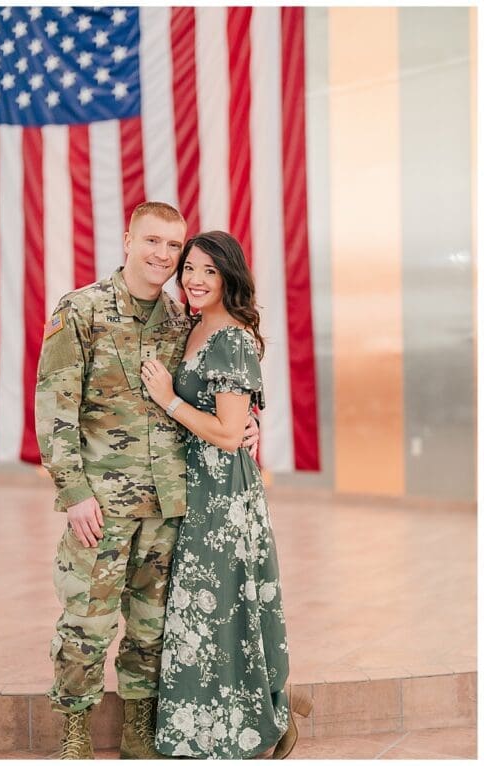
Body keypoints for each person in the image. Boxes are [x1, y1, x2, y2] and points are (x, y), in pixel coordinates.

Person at [35, 202, 258, 759]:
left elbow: (219, 388)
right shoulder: (81, 311)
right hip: (102, 506)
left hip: (172, 503)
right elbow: (55, 410)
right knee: (86, 624)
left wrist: (251, 424)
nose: (163, 255)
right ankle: (75, 732)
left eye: (173, 247)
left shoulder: (184, 322)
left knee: (153, 629)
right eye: (152, 241)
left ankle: (140, 726)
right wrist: (74, 494)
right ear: (128, 239)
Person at [140, 231, 310, 759]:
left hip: (222, 495)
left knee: (219, 606)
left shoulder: (230, 338)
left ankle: (254, 720)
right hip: (195, 486)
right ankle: (217, 721)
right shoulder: (192, 329)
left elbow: (229, 432)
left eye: (209, 271)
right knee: (197, 609)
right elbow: (236, 418)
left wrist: (169, 399)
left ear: (228, 277)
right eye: (189, 267)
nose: (194, 279)